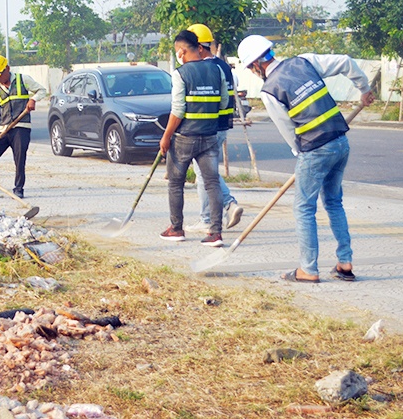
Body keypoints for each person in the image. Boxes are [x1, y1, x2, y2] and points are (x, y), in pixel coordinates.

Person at [237, 35, 374, 283]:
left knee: (303, 207)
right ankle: (345, 263)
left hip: (315, 149)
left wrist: (301, 156)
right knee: (333, 202)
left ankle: (308, 270)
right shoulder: (304, 62)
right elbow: (345, 61)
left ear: (256, 64)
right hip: (340, 141)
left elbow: (289, 132)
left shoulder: (270, 91)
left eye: (249, 67)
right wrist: (364, 89)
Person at [159, 30, 229, 247]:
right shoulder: (217, 69)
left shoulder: (180, 73)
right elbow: (224, 102)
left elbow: (178, 110)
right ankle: (215, 233)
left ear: (181, 50)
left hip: (184, 138)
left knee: (175, 183)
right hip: (209, 135)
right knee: (212, 183)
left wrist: (166, 136)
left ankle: (176, 228)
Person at [184, 24, 244, 233]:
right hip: (222, 126)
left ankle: (213, 214)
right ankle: (223, 207)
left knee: (203, 174)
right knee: (207, 172)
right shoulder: (224, 66)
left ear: (200, 48)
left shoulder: (204, 69)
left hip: (207, 127)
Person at [0, 54, 46, 200]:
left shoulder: (23, 80)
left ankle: (18, 188)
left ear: (7, 69)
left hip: (21, 127)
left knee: (19, 158)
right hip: (3, 130)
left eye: (0, 74)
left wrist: (33, 100)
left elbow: (42, 90)